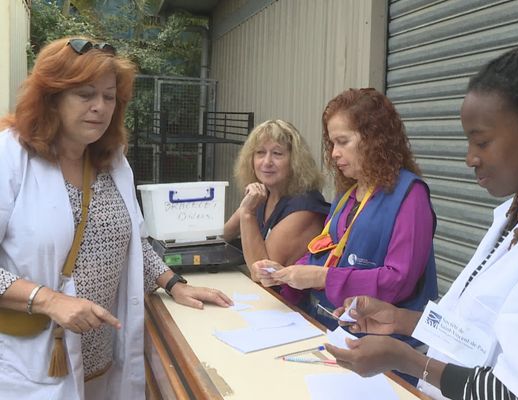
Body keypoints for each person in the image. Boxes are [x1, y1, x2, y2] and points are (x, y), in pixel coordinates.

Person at [325, 38, 518, 400]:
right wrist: (402, 320)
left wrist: (408, 360)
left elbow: (515, 393)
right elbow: (478, 337)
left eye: (482, 142)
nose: (470, 158)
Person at [0, 37, 233, 400]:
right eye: (85, 94)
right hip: (31, 362)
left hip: (101, 360)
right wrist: (49, 300)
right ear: (52, 97)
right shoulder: (11, 156)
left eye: (109, 97)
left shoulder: (112, 161)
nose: (100, 107)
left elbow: (134, 244)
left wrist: (174, 283)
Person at [252, 89, 438, 341]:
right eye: (332, 143)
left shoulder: (410, 194)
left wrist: (322, 278)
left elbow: (399, 280)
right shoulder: (348, 191)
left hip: (380, 345)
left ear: (375, 139)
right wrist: (288, 273)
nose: (334, 153)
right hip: (328, 328)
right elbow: (326, 252)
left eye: (343, 141)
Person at [222, 119, 329, 273]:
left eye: (277, 154)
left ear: (295, 161)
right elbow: (221, 236)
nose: (267, 162)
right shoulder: (264, 193)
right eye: (260, 153)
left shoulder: (305, 208)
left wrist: (247, 213)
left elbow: (263, 274)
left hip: (282, 296)